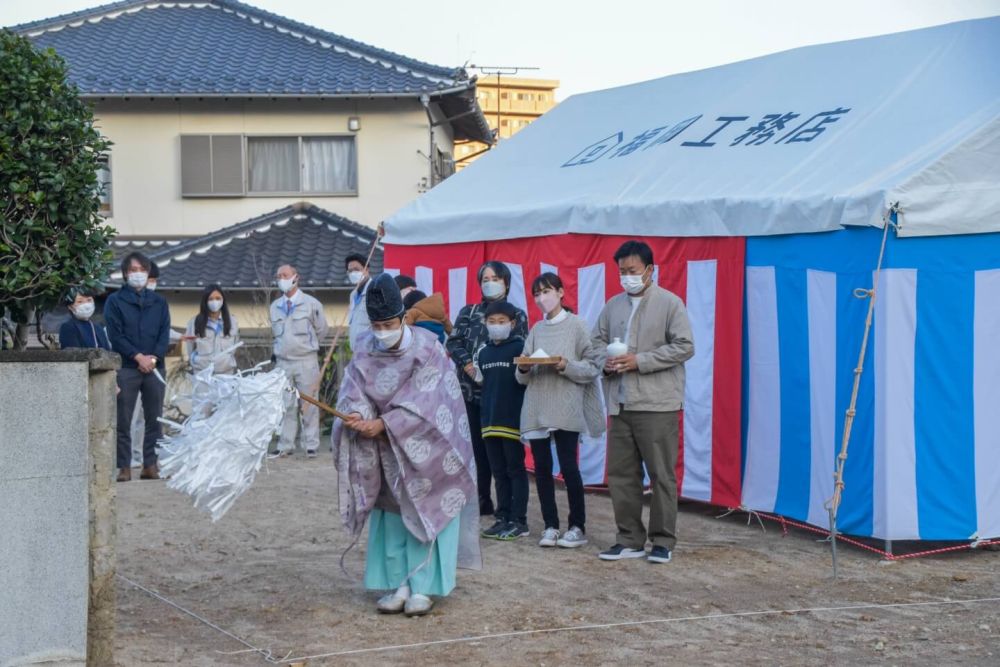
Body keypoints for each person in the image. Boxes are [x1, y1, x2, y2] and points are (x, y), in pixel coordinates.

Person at [332, 273, 480, 616]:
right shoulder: (366, 347)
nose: (382, 331)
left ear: (402, 318)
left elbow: (429, 400)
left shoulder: (428, 348)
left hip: (427, 449)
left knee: (425, 507)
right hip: (384, 449)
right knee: (392, 513)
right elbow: (353, 388)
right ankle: (398, 583)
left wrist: (384, 423)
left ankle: (424, 587)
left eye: (388, 323)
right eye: (376, 324)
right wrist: (357, 416)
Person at [592, 240, 694, 564]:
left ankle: (662, 540)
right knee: (622, 475)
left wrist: (642, 361)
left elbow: (685, 346)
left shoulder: (669, 303)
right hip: (620, 403)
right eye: (621, 271)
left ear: (649, 270)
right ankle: (629, 539)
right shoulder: (613, 305)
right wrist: (603, 362)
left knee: (661, 474)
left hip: (657, 403)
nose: (626, 277)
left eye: (632, 271)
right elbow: (595, 343)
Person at [516, 273, 605, 549]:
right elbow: (521, 378)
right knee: (541, 468)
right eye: (537, 293)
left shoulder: (578, 325)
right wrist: (523, 367)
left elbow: (592, 368)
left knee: (569, 467)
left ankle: (577, 526)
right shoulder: (536, 330)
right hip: (537, 406)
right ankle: (551, 526)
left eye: (546, 291)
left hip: (565, 406)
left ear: (561, 292)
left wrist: (565, 365)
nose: (542, 298)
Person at [446, 261, 528, 517]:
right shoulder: (469, 312)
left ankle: (510, 506)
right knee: (476, 450)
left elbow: (521, 347)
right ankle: (482, 499)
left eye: (495, 278)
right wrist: (468, 364)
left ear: (506, 282)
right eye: (484, 278)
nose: (489, 282)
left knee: (505, 453)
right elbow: (454, 341)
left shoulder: (517, 315)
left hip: (501, 394)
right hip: (470, 392)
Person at [104, 251, 171, 482]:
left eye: (142, 270)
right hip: (127, 366)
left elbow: (164, 334)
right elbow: (115, 334)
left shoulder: (159, 302)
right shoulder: (114, 301)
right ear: (124, 274)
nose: (138, 274)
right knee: (123, 419)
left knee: (155, 418)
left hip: (155, 366)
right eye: (133, 270)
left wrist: (153, 358)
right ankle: (123, 466)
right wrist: (137, 357)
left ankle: (150, 465)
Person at [476, 300, 529, 541]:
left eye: (502, 322)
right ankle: (502, 517)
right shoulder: (484, 352)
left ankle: (519, 520)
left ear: (513, 323)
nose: (496, 326)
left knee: (515, 471)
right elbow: (481, 383)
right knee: (498, 472)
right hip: (489, 421)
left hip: (512, 421)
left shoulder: (520, 348)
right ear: (485, 324)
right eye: (492, 322)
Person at [269, 264, 329, 459]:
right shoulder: (275, 306)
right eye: (279, 276)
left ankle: (310, 444)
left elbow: (322, 330)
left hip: (306, 360)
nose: (281, 279)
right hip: (283, 362)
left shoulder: (311, 304)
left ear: (296, 277)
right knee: (286, 405)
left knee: (310, 403)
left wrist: (307, 346)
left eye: (285, 275)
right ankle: (285, 444)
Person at [184, 284, 239, 375]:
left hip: (226, 374)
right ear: (205, 301)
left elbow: (235, 344)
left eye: (218, 298)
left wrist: (228, 361)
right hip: (202, 373)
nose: (215, 302)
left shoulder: (232, 321)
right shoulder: (194, 322)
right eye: (211, 299)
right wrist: (194, 360)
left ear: (223, 300)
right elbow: (189, 347)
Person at [346, 253, 372, 349]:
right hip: (356, 351)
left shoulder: (375, 290)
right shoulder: (353, 295)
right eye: (350, 271)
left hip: (371, 350)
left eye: (356, 270)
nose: (353, 273)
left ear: (366, 269)